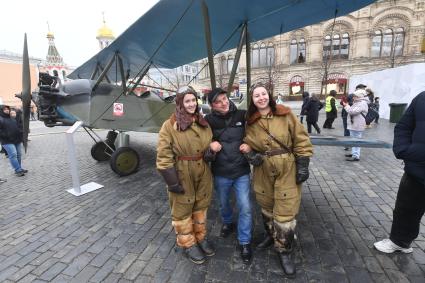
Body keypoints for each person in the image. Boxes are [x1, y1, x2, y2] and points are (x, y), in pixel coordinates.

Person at [241, 82, 313, 277]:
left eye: (263, 94)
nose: (261, 98)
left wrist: (303, 163)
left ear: (269, 95)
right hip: (263, 169)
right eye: (257, 96)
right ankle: (272, 236)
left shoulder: (285, 114)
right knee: (266, 205)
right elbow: (248, 145)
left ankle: (284, 250)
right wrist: (251, 155)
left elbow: (301, 139)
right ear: (252, 100)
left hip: (286, 167)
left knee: (285, 210)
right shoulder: (251, 121)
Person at [156, 86, 215, 264]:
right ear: (180, 103)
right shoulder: (169, 125)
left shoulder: (202, 122)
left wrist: (210, 153)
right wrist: (173, 183)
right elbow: (163, 156)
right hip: (182, 172)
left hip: (202, 171)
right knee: (182, 209)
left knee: (200, 206)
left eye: (193, 100)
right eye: (186, 101)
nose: (191, 104)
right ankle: (188, 243)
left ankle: (200, 237)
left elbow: (208, 144)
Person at [204, 87, 253, 263]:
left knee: (245, 206)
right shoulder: (207, 120)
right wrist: (210, 146)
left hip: (241, 171)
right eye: (218, 102)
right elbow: (201, 143)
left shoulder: (242, 115)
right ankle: (227, 222)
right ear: (212, 105)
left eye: (224, 99)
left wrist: (250, 146)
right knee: (223, 203)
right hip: (221, 171)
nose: (223, 103)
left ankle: (245, 241)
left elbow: (257, 133)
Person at [374, 91, 425, 254]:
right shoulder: (422, 98)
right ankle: (400, 241)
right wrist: (404, 150)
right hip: (416, 170)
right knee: (406, 209)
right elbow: (404, 125)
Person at [342, 89, 369, 161]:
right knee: (353, 139)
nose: (353, 97)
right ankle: (354, 153)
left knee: (356, 140)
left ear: (359, 96)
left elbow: (352, 112)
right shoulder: (358, 102)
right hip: (354, 124)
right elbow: (352, 110)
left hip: (357, 124)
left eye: (355, 96)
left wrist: (346, 106)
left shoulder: (362, 103)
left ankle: (356, 156)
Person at [0, 105, 27, 176]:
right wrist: (7, 135)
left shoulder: (12, 118)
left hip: (16, 140)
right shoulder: (0, 119)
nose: (7, 110)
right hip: (7, 141)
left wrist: (20, 134)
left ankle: (19, 168)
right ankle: (17, 170)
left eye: (7, 109)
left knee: (19, 155)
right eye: (4, 109)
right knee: (13, 154)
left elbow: (16, 128)